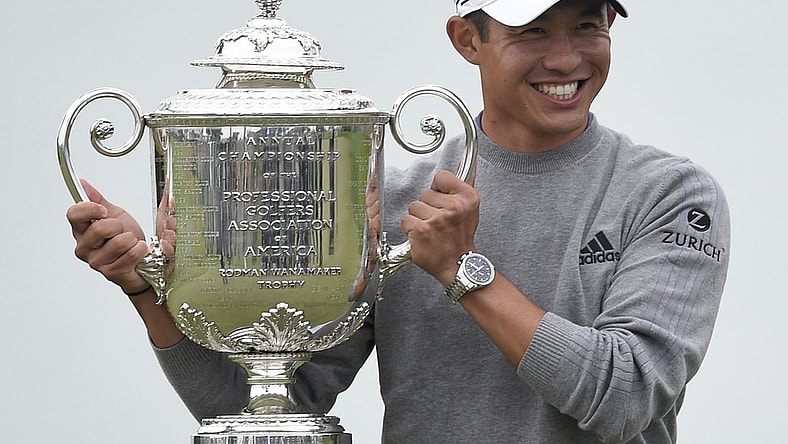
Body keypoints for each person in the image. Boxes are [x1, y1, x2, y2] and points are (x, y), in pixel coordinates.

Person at [66, 0, 730, 442]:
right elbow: (269, 408)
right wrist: (147, 288)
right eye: (533, 31)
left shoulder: (670, 194)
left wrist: (462, 271)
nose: (567, 59)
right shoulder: (392, 194)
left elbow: (624, 396)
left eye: (588, 25)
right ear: (468, 39)